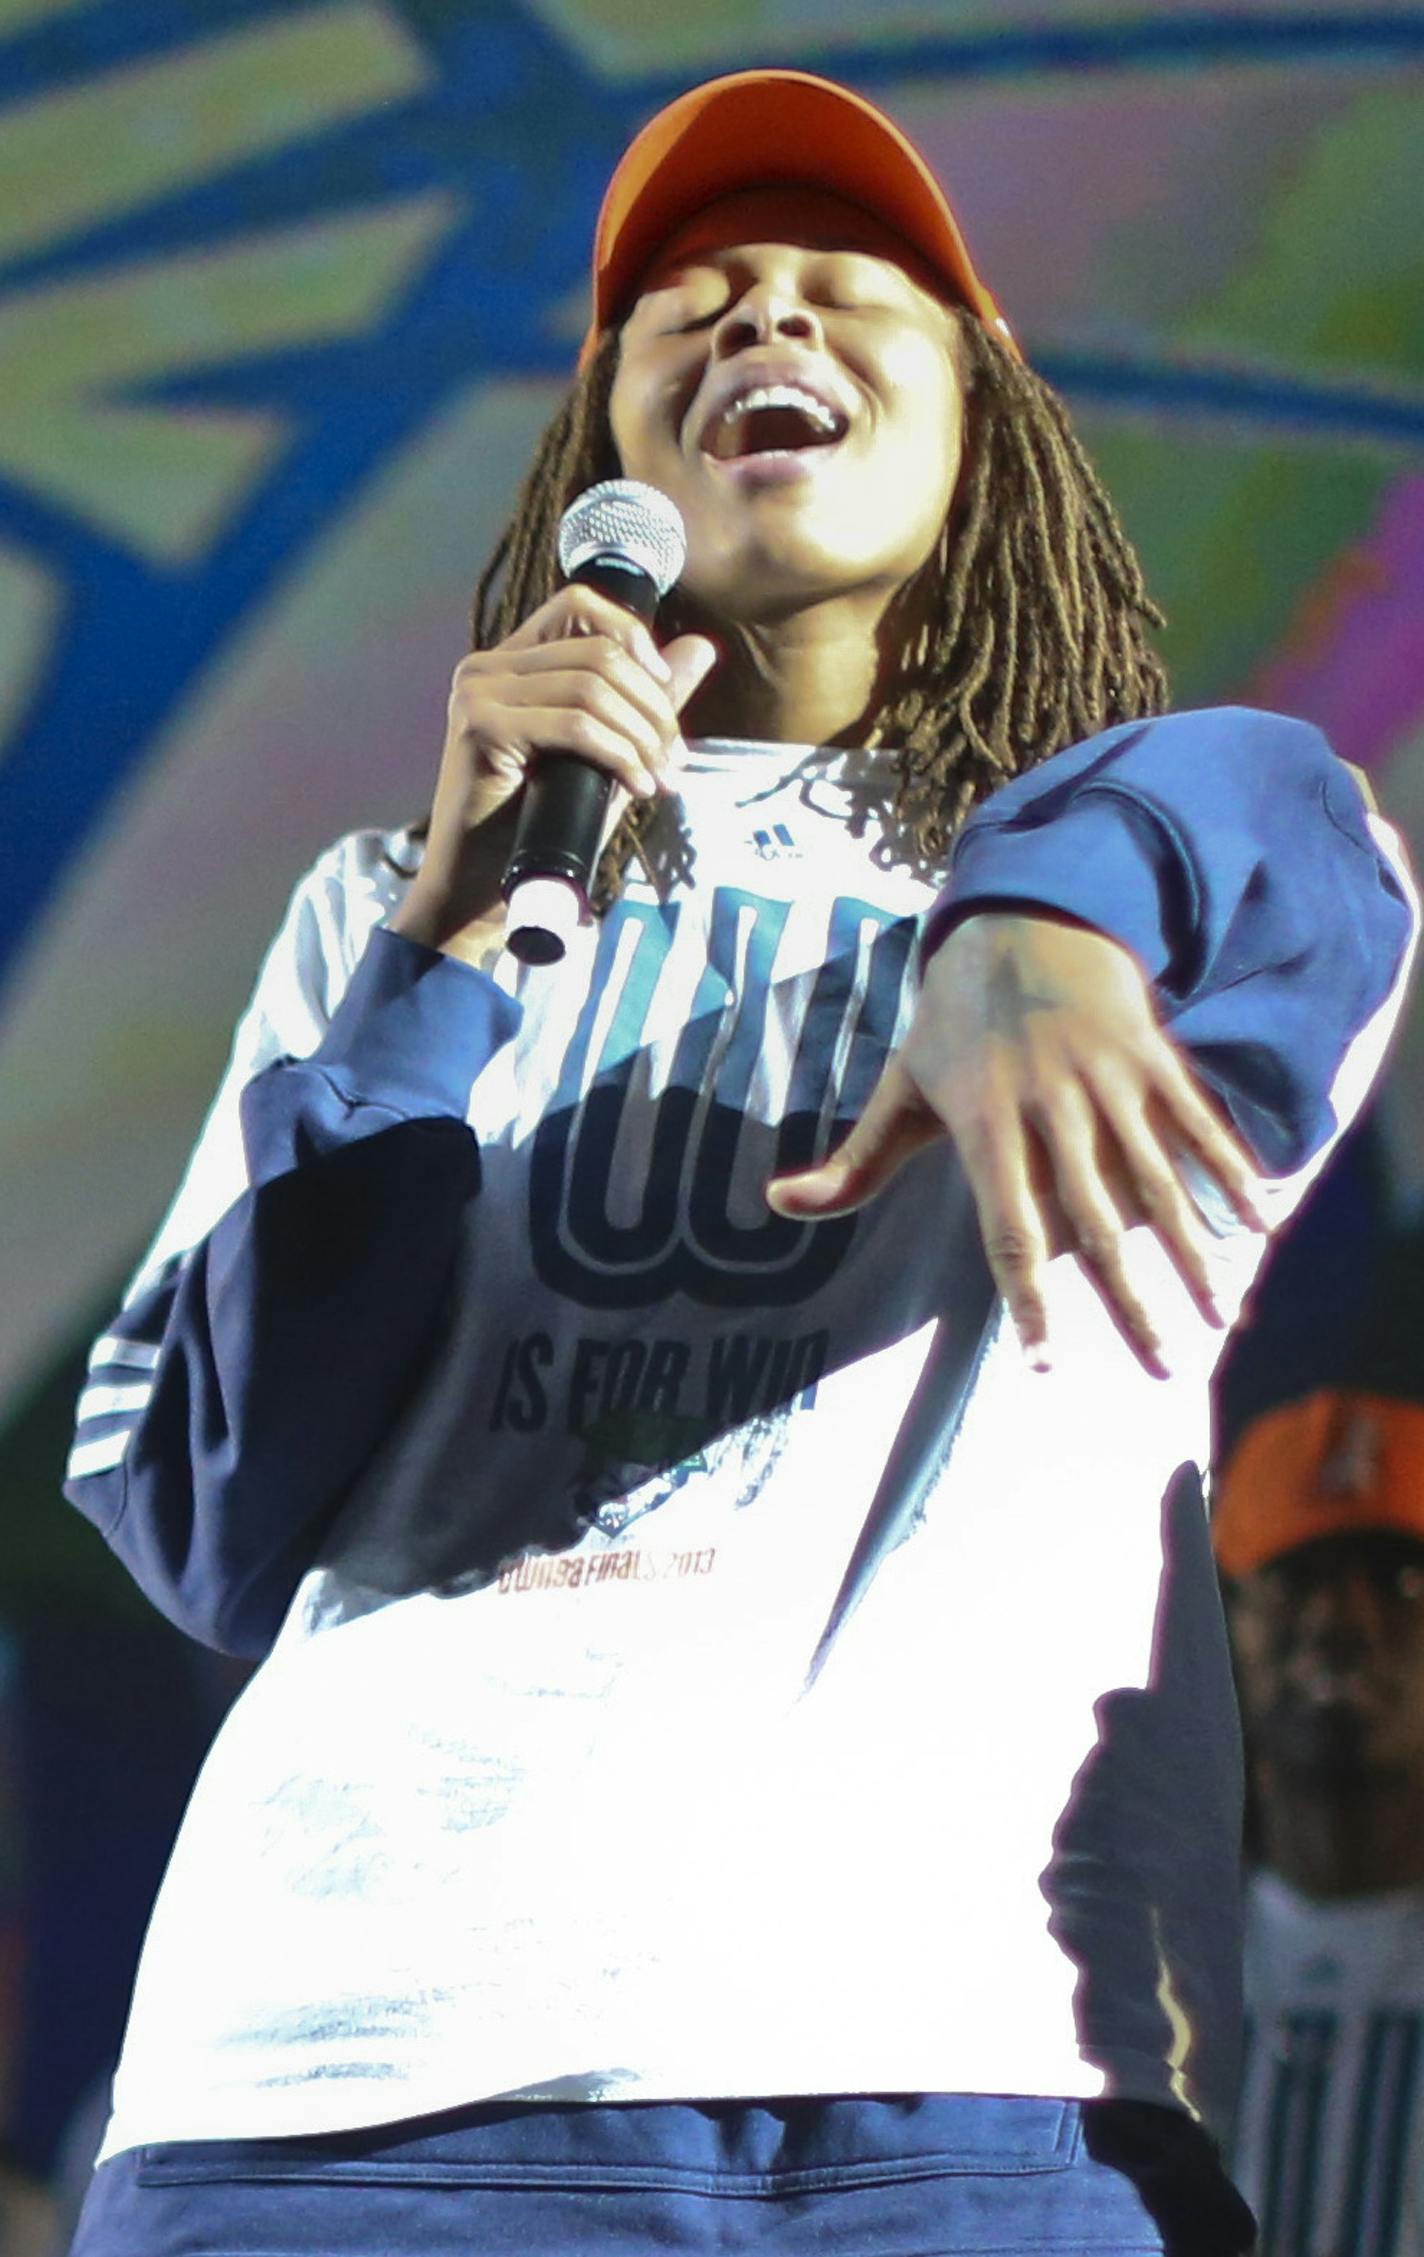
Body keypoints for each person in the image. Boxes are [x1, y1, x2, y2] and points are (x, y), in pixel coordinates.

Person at [60, 64, 1414, 2257]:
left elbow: (1297, 816)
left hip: (955, 2085)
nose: (752, 313)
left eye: (832, 280)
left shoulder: (1166, 887)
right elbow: (209, 1522)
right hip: (328, 2099)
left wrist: (1037, 928)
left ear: (981, 420)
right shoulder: (370, 905)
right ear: (607, 453)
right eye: (687, 299)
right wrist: (442, 945)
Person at [1216, 1390, 1424, 2257]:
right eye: (1296, 1575)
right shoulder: (1127, 1971)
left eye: (1404, 1578)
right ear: (1223, 1623)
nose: (1344, 1621)